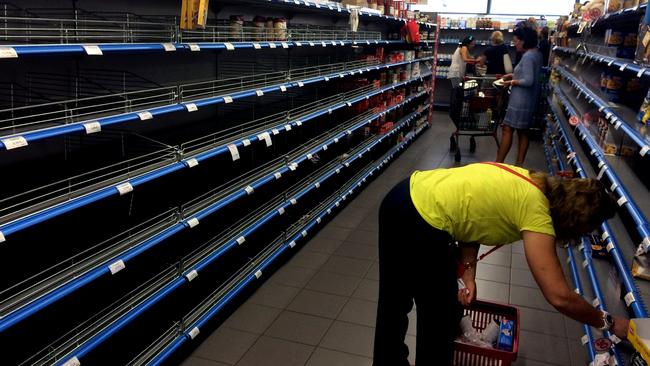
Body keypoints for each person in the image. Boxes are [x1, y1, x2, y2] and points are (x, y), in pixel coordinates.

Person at [372, 162, 626, 366]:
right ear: (577, 220)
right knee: (439, 319)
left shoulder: (531, 181)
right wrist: (608, 322)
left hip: (403, 198)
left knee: (393, 305)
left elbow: (472, 215)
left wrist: (469, 273)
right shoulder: (536, 210)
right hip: (423, 220)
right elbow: (558, 295)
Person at [496, 27, 542, 166]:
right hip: (529, 99)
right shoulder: (536, 53)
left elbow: (528, 80)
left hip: (520, 100)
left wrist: (511, 81)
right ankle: (519, 164)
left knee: (507, 129)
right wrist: (513, 75)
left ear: (524, 41)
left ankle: (498, 163)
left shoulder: (527, 56)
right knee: (523, 132)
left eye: (516, 41)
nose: (514, 43)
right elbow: (529, 74)